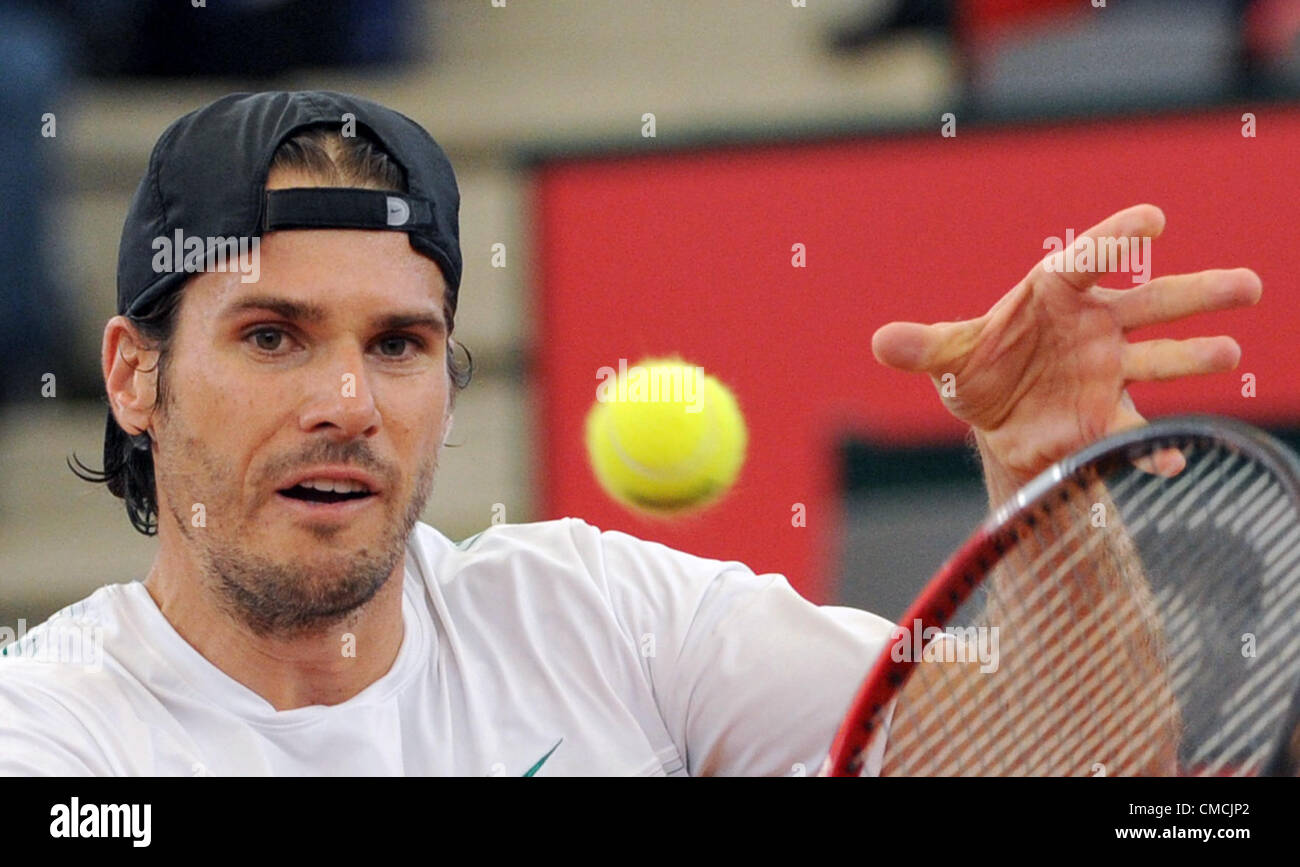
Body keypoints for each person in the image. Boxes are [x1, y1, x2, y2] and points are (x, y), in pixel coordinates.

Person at [0, 91, 1260, 776]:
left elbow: (1074, 775)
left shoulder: (601, 614)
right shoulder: (49, 735)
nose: (350, 402)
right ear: (135, 377)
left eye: (399, 344)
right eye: (272, 335)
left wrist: (1049, 492)